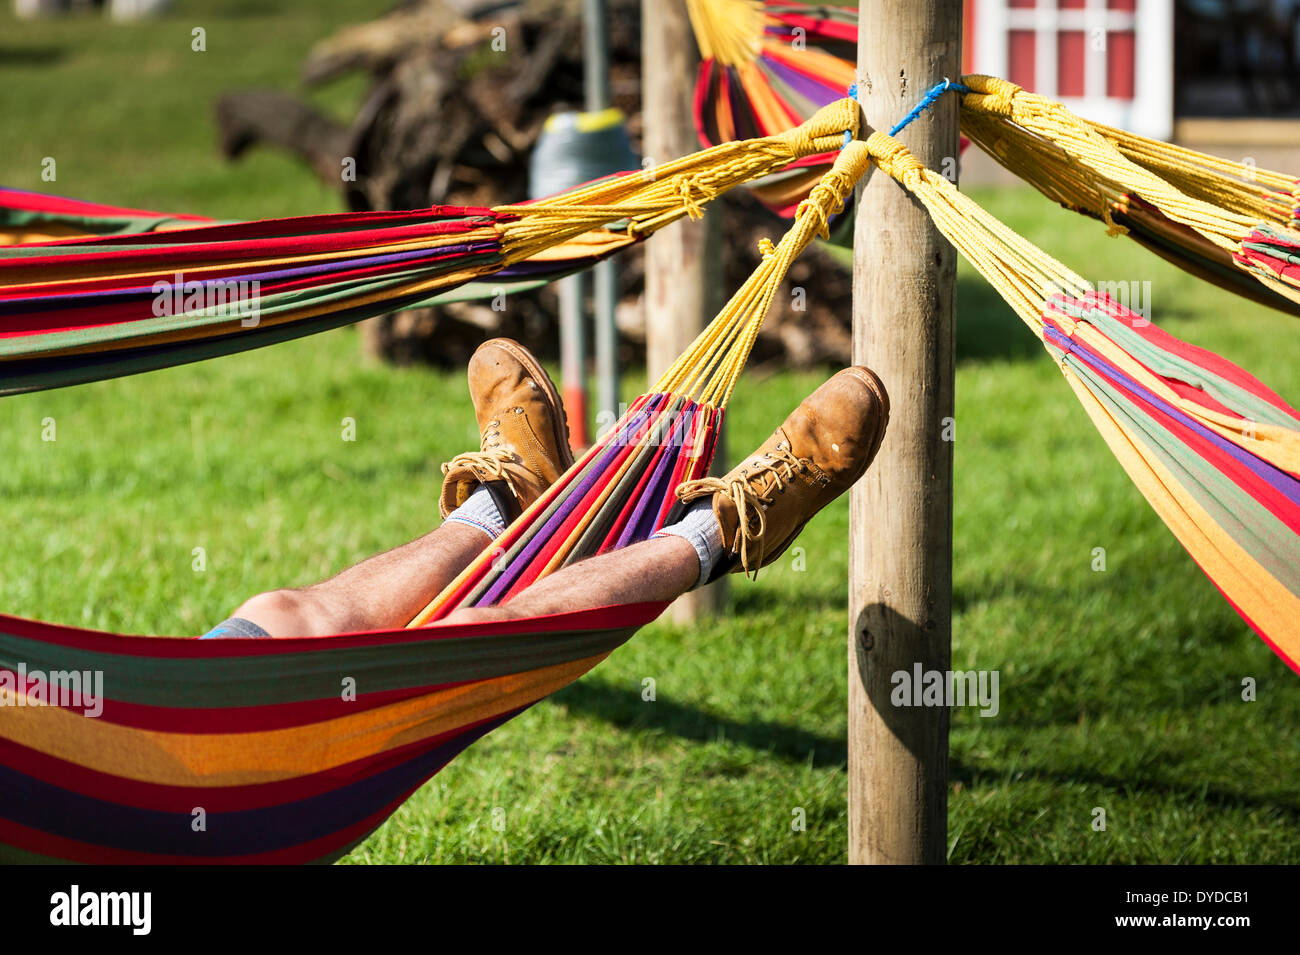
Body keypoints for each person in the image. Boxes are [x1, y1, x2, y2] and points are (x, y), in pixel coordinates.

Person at [200, 339, 889, 639]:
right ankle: (716, 531)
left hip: (142, 719)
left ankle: (502, 505)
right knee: (465, 640)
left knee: (280, 613)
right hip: (177, 812)